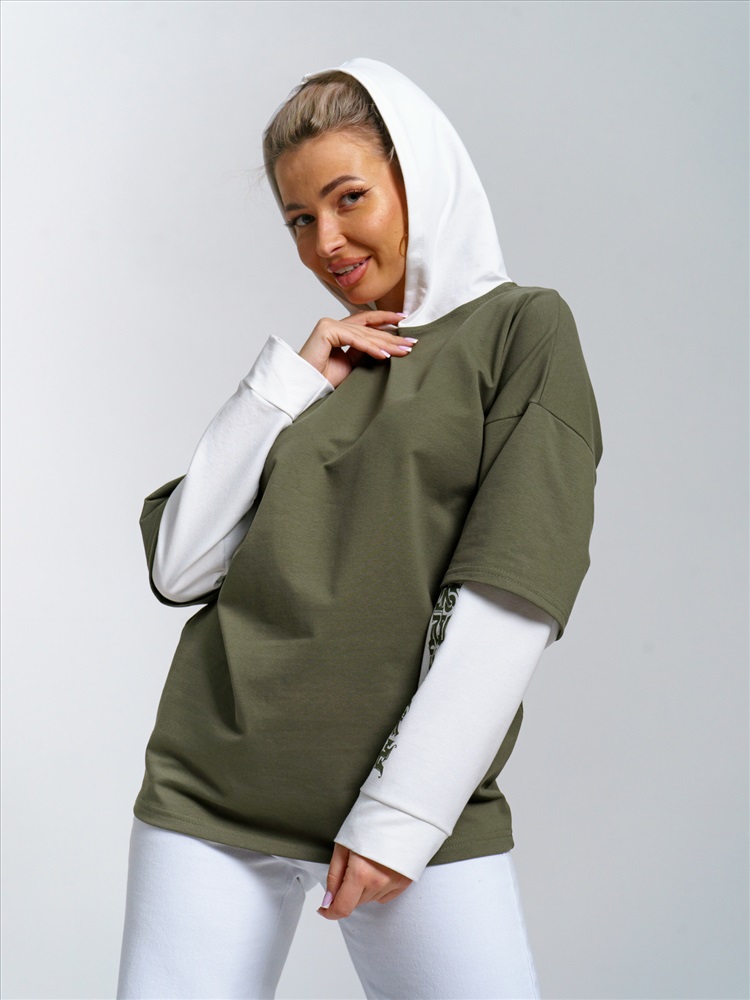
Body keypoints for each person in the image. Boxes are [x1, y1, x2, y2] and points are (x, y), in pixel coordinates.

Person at [116, 57, 603, 1000]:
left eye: (349, 199)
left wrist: (400, 819)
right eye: (300, 219)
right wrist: (287, 382)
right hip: (209, 796)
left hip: (403, 819)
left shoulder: (521, 330)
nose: (326, 242)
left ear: (420, 179)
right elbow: (180, 566)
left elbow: (512, 590)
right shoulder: (329, 368)